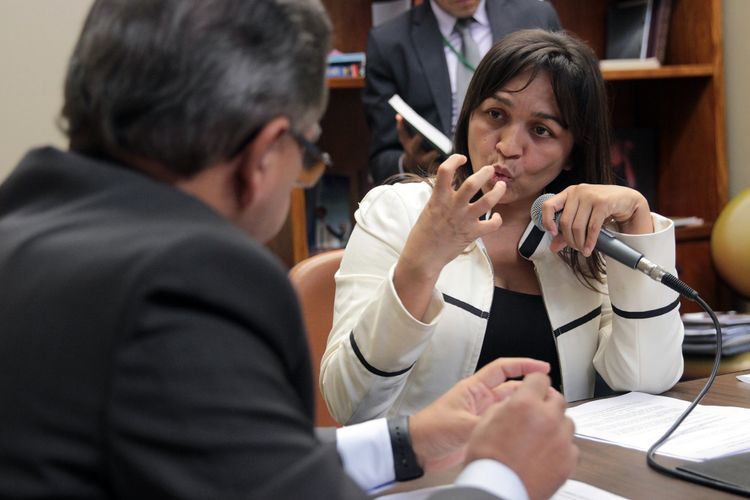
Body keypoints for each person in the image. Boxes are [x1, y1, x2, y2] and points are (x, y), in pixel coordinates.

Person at [0, 2, 578, 499]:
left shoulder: (21, 228)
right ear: (264, 155)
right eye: (307, 150)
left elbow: (234, 458)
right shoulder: (186, 284)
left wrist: (407, 440)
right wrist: (503, 478)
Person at [321, 29, 685, 425]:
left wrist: (637, 221)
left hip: (554, 472)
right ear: (470, 116)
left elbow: (647, 383)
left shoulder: (584, 236)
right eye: (496, 114)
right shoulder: (397, 212)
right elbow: (349, 405)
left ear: (571, 155)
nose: (509, 145)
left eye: (541, 130)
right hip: (430, 475)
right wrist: (419, 264)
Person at [364, 0, 561, 185]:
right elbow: (382, 158)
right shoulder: (388, 42)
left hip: (528, 182)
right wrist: (409, 164)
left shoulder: (536, 17)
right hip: (439, 187)